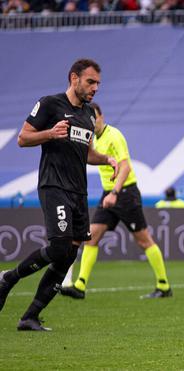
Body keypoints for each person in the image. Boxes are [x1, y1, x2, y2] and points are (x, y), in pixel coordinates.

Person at [0, 58, 117, 331]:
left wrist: (107, 159)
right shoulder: (50, 104)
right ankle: (8, 278)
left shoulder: (88, 115)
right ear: (74, 78)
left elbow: (87, 154)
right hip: (54, 186)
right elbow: (23, 138)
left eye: (98, 83)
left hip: (78, 192)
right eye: (90, 81)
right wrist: (50, 133)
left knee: (68, 255)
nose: (95, 88)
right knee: (58, 247)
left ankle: (30, 316)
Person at [59, 102, 172, 300]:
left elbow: (125, 167)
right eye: (89, 119)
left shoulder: (115, 136)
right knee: (92, 236)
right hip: (109, 193)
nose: (92, 122)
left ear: (102, 116)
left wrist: (115, 193)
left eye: (95, 118)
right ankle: (80, 285)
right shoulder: (92, 139)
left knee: (143, 240)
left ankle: (164, 286)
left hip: (125, 193)